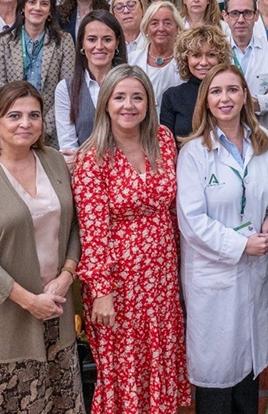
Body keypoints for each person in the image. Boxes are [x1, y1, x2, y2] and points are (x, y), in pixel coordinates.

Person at [0, 82, 85, 413]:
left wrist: (67, 274)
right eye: (15, 115)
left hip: (56, 310)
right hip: (5, 321)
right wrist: (28, 300)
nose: (26, 123)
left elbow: (75, 225)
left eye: (34, 115)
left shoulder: (53, 161)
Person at [72, 65, 191, 412]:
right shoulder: (92, 157)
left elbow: (173, 211)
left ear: (149, 103)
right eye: (120, 97)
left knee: (160, 363)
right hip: (118, 284)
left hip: (162, 279)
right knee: (122, 372)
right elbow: (92, 229)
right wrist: (102, 292)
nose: (129, 105)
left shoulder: (164, 141)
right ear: (106, 103)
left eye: (137, 97)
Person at [176, 63, 268, 412]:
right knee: (217, 378)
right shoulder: (193, 153)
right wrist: (241, 245)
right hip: (214, 276)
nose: (225, 98)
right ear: (206, 101)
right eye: (216, 91)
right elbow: (191, 221)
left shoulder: (266, 144)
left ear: (246, 96)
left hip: (255, 273)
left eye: (233, 90)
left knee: (248, 376)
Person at [0, 0, 75, 147]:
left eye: (44, 4)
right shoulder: (4, 41)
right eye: (32, 2)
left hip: (52, 132)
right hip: (13, 129)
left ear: (50, 11)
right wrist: (17, 124)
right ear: (22, 7)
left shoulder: (64, 41)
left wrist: (42, 127)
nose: (37, 8)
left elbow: (67, 90)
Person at [55, 10, 127, 158]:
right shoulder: (65, 89)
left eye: (107, 39)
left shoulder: (131, 84)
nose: (99, 46)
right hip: (84, 177)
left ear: (117, 43)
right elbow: (68, 148)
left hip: (126, 174)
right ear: (82, 43)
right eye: (92, 39)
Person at [223, 0, 268, 130]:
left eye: (247, 13)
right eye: (234, 14)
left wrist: (256, 102)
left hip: (262, 130)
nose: (240, 20)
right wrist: (263, 99)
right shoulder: (216, 52)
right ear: (225, 16)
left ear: (256, 15)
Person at [160, 25, 232, 140]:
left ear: (221, 58)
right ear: (185, 59)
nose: (203, 62)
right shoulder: (172, 96)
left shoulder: (230, 93)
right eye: (196, 55)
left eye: (211, 55)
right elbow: (166, 143)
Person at [129, 1, 186, 108]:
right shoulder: (132, 60)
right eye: (154, 23)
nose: (161, 28)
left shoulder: (186, 61)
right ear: (146, 28)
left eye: (167, 23)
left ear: (177, 28)